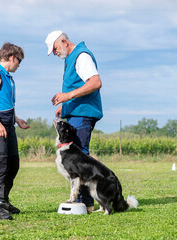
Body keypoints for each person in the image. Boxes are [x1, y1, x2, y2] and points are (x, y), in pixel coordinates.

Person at [45, 31, 103, 212]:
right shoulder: (71, 59)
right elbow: (79, 85)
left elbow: (95, 82)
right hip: (75, 112)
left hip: (82, 115)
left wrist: (67, 96)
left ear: (63, 41)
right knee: (77, 159)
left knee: (79, 158)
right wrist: (66, 106)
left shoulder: (81, 56)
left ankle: (84, 202)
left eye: (54, 48)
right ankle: (84, 200)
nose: (54, 52)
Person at [0, 42, 30, 220]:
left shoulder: (8, 77)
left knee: (13, 164)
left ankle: (2, 201)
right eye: (19, 60)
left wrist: (16, 119)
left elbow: (5, 103)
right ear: (11, 58)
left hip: (8, 125)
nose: (19, 64)